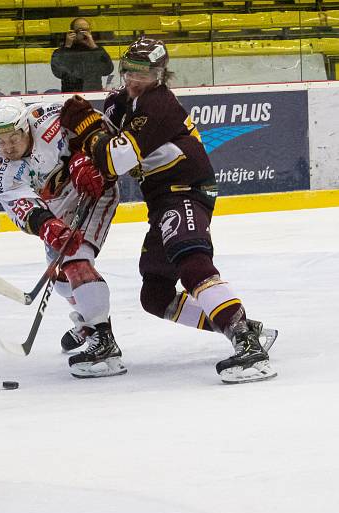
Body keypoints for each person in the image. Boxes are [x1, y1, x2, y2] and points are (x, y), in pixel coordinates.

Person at [57, 37, 278, 384]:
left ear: (160, 74)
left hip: (186, 191)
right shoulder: (118, 102)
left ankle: (246, 343)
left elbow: (115, 159)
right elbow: (103, 147)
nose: (135, 79)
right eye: (131, 70)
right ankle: (243, 326)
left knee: (191, 261)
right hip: (160, 200)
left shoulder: (159, 104)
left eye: (145, 73)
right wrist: (82, 140)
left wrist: (87, 132)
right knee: (155, 294)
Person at [0, 97, 125, 379]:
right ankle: (87, 320)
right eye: (1, 142)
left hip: (93, 189)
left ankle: (104, 340)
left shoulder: (50, 119)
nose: (8, 147)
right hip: (56, 205)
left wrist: (86, 159)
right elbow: (25, 210)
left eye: (13, 138)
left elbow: (98, 128)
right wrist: (48, 227)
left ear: (25, 128)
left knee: (74, 260)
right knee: (59, 278)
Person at [50, 17, 114, 93]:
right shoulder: (62, 52)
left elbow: (107, 70)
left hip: (94, 95)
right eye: (81, 30)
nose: (85, 34)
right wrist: (67, 47)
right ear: (73, 32)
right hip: (71, 96)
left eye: (87, 30)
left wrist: (94, 47)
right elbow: (58, 72)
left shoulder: (96, 51)